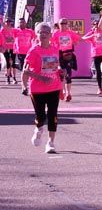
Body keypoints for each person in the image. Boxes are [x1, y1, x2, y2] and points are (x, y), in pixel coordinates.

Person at [22, 23, 64, 154]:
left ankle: (50, 143)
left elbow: (56, 66)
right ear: (37, 34)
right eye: (41, 31)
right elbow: (25, 70)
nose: (44, 33)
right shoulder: (33, 51)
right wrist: (40, 79)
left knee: (53, 115)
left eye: (46, 31)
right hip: (37, 89)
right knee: (40, 117)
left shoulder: (55, 49)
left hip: (54, 87)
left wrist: (60, 71)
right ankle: (39, 129)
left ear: (51, 35)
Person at [53, 24, 78, 102]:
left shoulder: (71, 33)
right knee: (61, 74)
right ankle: (63, 91)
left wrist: (75, 37)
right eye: (62, 24)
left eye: (65, 23)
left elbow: (77, 42)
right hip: (59, 55)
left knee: (68, 74)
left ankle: (68, 93)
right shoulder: (55, 33)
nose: (64, 25)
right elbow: (51, 42)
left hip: (69, 55)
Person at [86, 18, 102, 95]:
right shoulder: (92, 33)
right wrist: (92, 33)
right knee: (98, 71)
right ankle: (100, 88)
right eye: (95, 25)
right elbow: (83, 38)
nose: (96, 26)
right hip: (96, 54)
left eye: (97, 24)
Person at [1, 21, 19, 85]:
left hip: (13, 48)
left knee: (13, 63)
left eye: (9, 22)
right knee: (8, 62)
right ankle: (8, 78)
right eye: (7, 22)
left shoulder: (14, 30)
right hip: (5, 48)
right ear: (5, 23)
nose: (8, 24)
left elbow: (18, 36)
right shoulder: (2, 30)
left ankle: (14, 78)